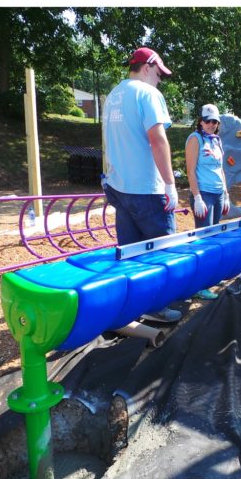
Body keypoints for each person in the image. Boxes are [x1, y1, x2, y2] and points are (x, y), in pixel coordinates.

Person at [101, 46, 182, 322]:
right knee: (162, 253)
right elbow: (158, 140)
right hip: (147, 190)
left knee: (132, 254)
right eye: (159, 73)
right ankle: (157, 307)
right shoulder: (148, 93)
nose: (160, 79)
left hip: (119, 187)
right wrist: (170, 185)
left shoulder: (113, 95)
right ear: (148, 66)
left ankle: (134, 306)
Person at [185, 103, 231, 300]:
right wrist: (197, 197)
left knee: (214, 240)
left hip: (218, 193)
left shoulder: (217, 141)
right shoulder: (195, 139)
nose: (211, 124)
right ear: (200, 121)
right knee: (203, 241)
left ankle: (210, 276)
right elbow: (190, 170)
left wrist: (226, 194)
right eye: (207, 121)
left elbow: (221, 169)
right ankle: (198, 285)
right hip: (203, 194)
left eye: (214, 121)